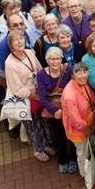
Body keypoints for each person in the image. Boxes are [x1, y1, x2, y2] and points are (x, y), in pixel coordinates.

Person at [4, 30, 52, 161]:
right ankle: (39, 150)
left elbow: (39, 70)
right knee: (33, 127)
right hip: (28, 100)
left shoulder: (29, 53)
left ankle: (46, 144)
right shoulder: (10, 64)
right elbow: (17, 89)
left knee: (44, 122)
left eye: (21, 38)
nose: (19, 42)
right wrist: (35, 96)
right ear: (10, 44)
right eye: (16, 40)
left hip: (39, 93)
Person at [37, 46, 77, 174]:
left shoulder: (68, 70)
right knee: (58, 136)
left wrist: (64, 110)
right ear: (47, 61)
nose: (56, 62)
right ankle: (62, 159)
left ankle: (73, 159)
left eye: (58, 59)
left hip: (68, 108)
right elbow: (42, 99)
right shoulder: (42, 74)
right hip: (53, 111)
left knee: (71, 135)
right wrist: (56, 111)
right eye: (52, 59)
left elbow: (73, 90)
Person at [61, 62, 95, 183]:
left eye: (84, 72)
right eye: (79, 72)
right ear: (73, 75)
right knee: (82, 153)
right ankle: (85, 175)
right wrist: (88, 130)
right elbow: (75, 120)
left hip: (89, 125)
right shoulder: (70, 95)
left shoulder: (83, 84)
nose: (83, 75)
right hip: (80, 130)